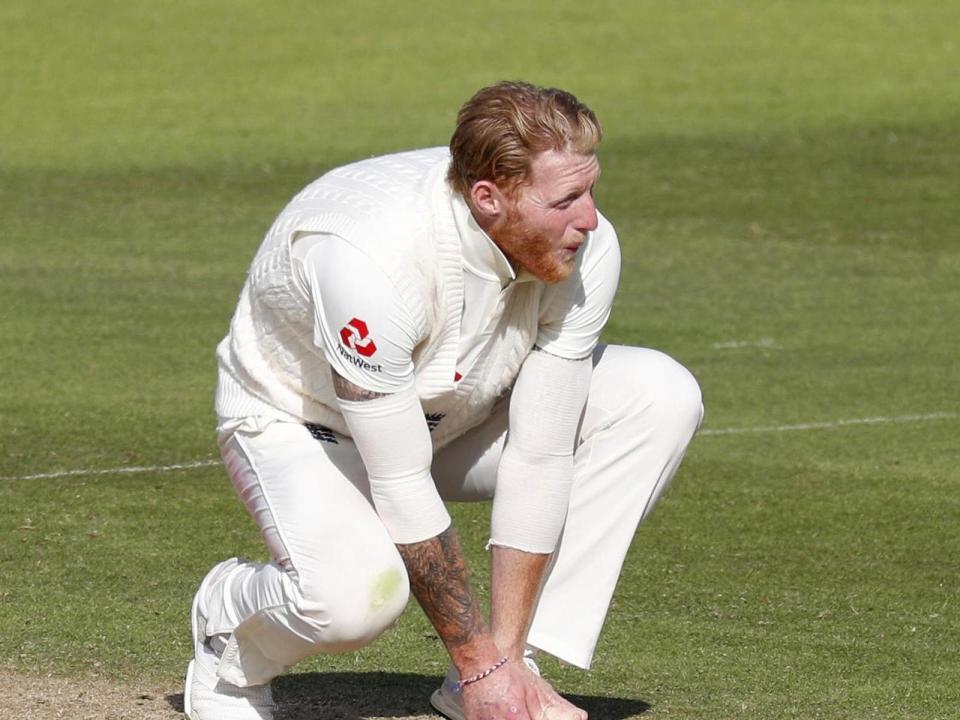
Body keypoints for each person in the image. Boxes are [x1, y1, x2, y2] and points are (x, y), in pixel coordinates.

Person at [184, 80, 703, 720]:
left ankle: (515, 666)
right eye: (566, 199)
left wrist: (497, 664)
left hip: (453, 415)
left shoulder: (585, 247)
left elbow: (540, 456)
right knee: (355, 600)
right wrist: (472, 656)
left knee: (658, 395)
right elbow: (398, 479)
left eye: (590, 190)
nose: (590, 218)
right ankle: (230, 639)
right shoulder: (369, 260)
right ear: (487, 197)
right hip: (301, 420)